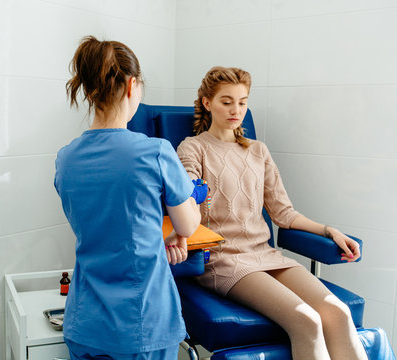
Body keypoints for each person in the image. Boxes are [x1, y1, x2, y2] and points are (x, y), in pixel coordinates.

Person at [176, 66, 368, 360]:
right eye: (226, 102)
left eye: (242, 102)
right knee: (307, 320)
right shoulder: (193, 148)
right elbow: (186, 200)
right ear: (207, 103)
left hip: (265, 254)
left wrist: (329, 230)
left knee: (338, 313)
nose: (235, 110)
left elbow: (284, 213)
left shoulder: (258, 151)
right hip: (225, 259)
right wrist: (191, 194)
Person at [54, 36, 205, 360]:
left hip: (85, 324)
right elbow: (190, 225)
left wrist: (156, 237)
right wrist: (180, 224)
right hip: (141, 326)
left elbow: (107, 227)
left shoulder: (66, 159)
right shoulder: (155, 152)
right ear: (131, 85)